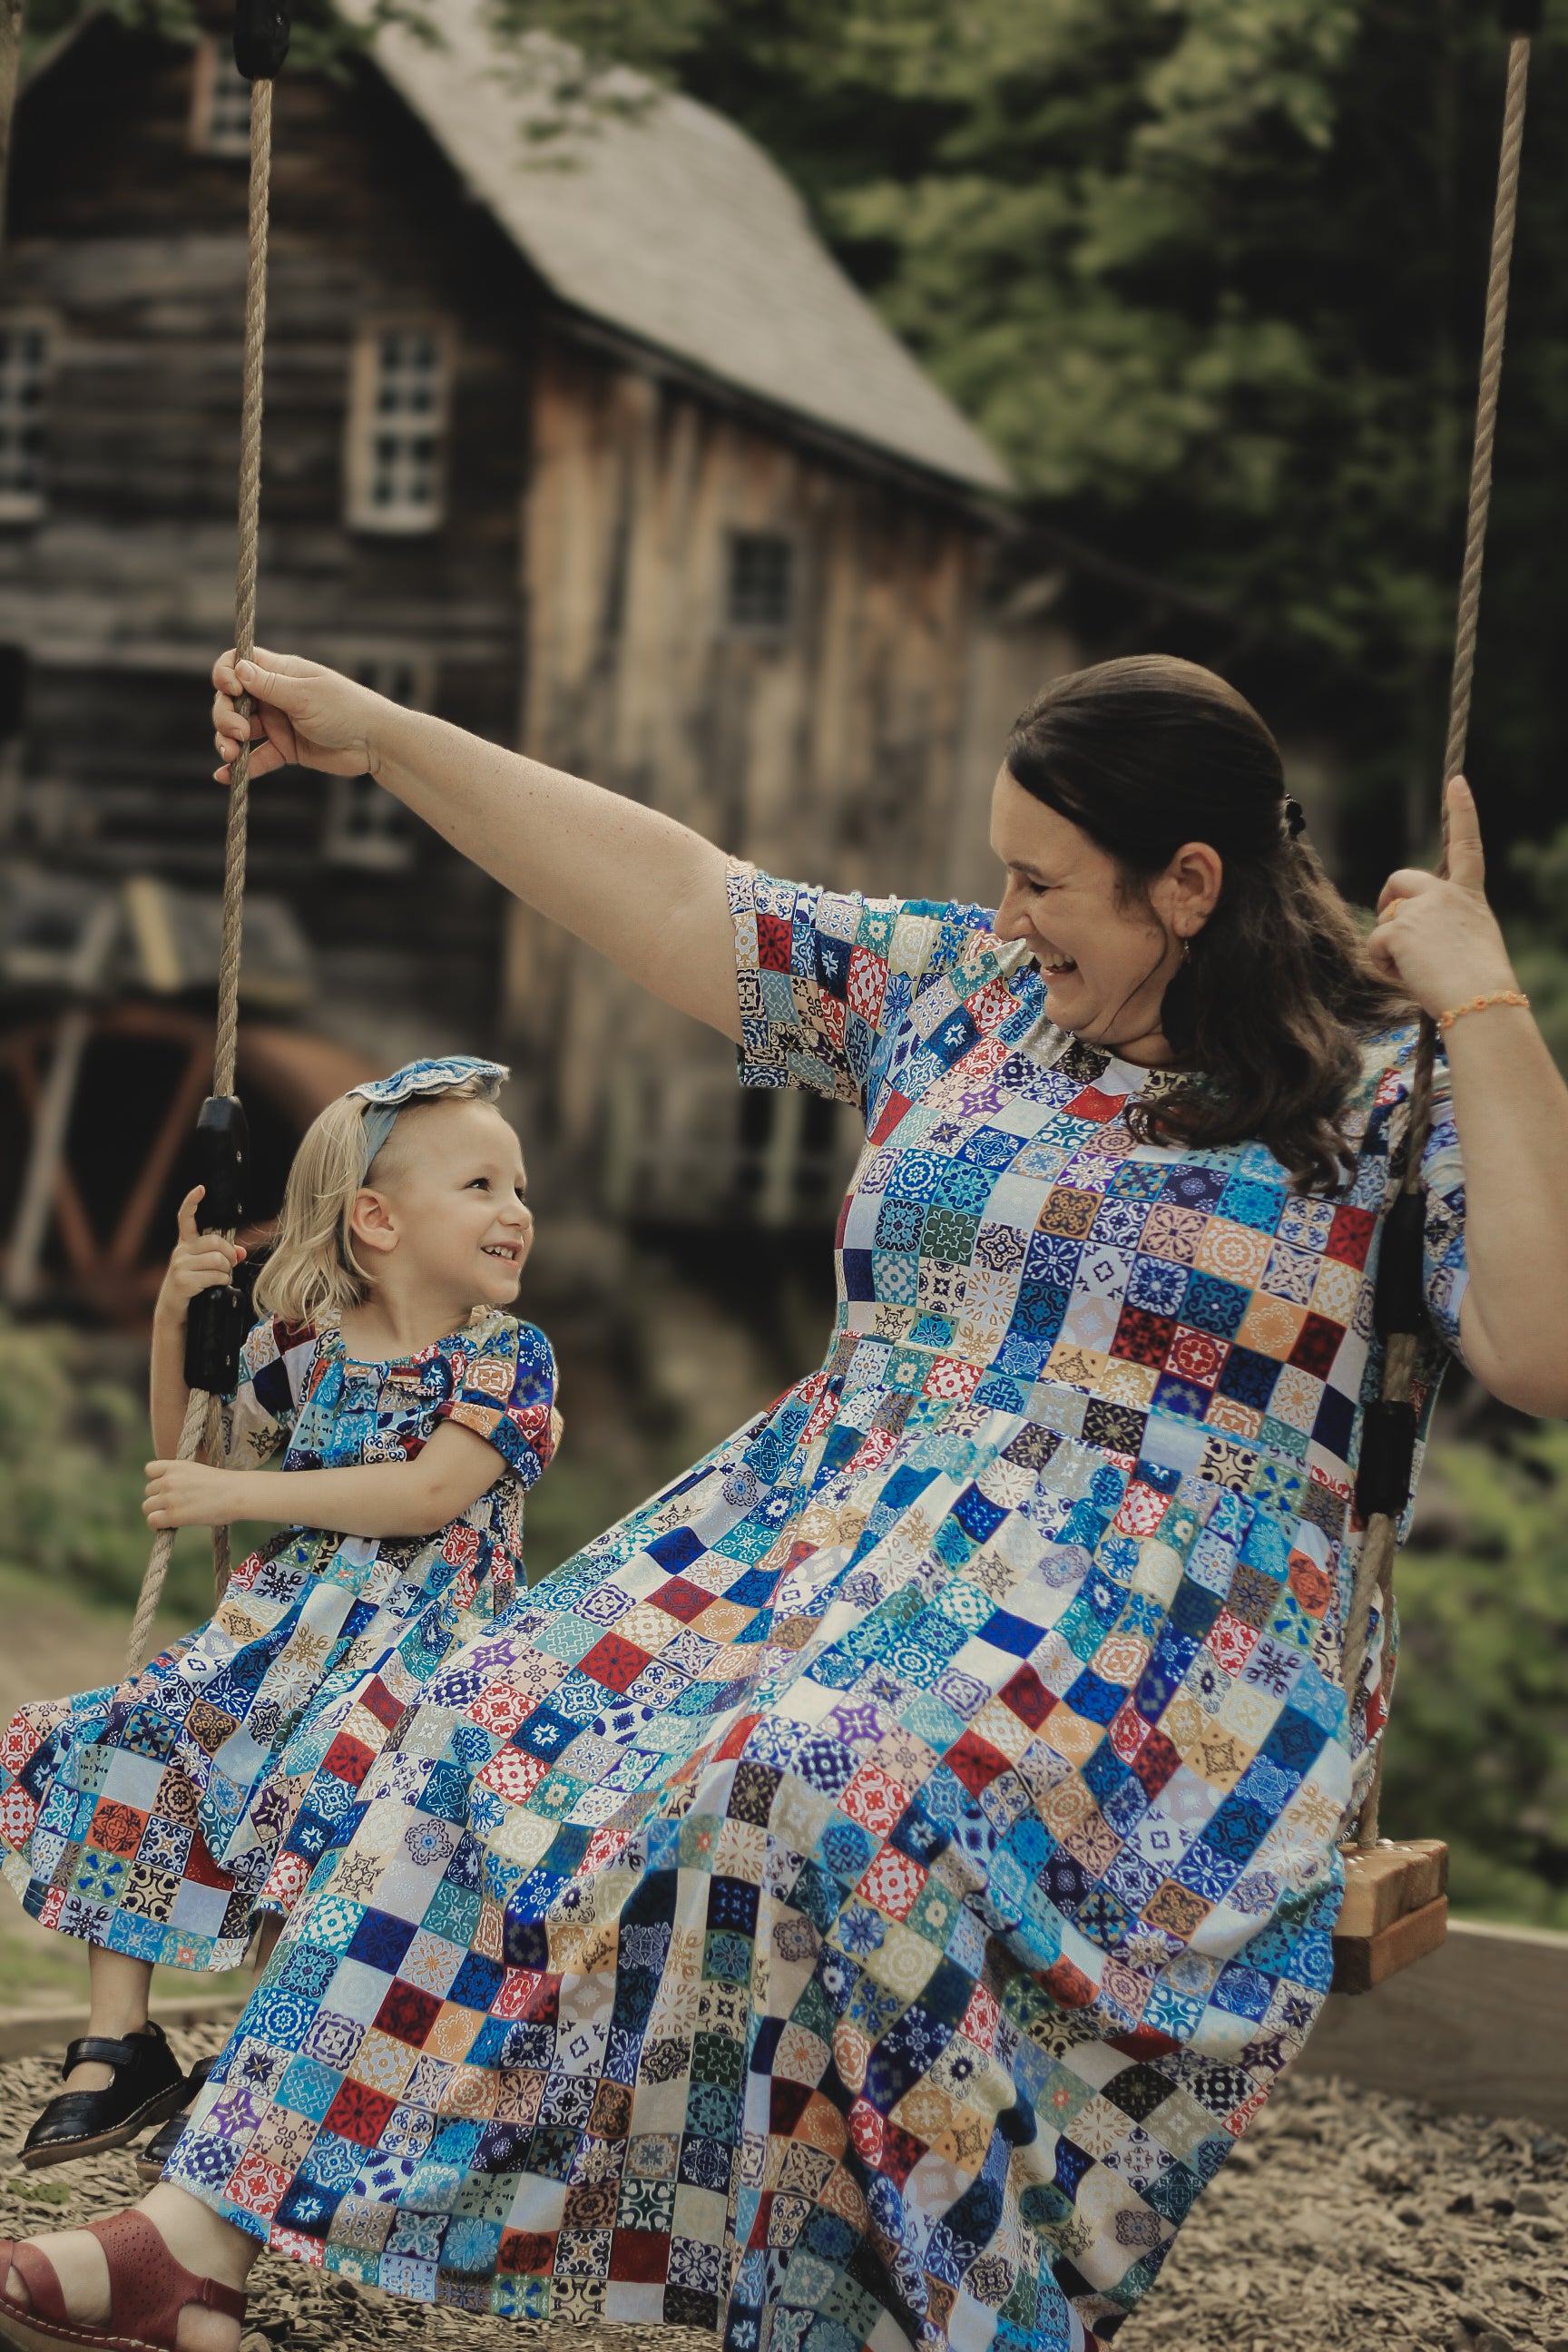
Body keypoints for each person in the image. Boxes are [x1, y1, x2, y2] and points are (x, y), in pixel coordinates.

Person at [2, 652, 1564, 2352]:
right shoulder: (968, 993)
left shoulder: (1382, 1085)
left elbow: (1538, 1344)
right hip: (813, 1543)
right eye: (1001, 870)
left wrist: (1480, 996)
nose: (1008, 909)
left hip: (1152, 1634)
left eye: (1043, 880)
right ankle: (193, 2237)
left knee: (825, 1783)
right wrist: (379, 740)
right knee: (487, 1708)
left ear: (1186, 886)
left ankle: (928, 2318)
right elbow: (689, 895)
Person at [0, 1057, 559, 2190]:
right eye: (484, 1185)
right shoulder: (302, 1350)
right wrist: (173, 1320)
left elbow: (426, 1497)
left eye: (520, 1187)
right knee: (139, 1735)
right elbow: (194, 1455)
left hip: (426, 1640)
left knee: (332, 1781)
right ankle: (122, 2043)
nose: (518, 1211)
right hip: (282, 1629)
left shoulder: (508, 1354)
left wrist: (239, 1498)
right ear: (377, 1219)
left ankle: (268, 2068)